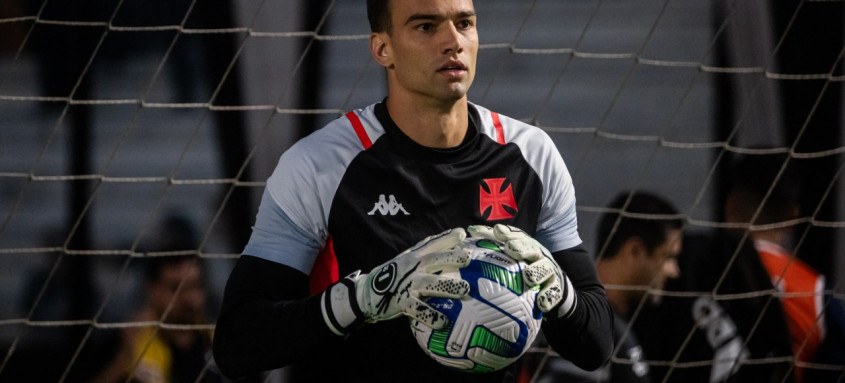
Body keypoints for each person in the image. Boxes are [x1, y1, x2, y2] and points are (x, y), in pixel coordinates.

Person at [211, 0, 613, 382]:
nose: (453, 41)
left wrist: (561, 295)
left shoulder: (530, 155)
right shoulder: (319, 165)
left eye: (465, 23)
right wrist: (363, 298)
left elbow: (595, 345)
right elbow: (237, 345)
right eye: (426, 25)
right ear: (383, 48)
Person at [533, 191, 683, 382]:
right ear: (634, 251)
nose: (674, 271)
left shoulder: (602, 323)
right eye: (668, 257)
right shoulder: (584, 327)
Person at [93, 217, 222, 383]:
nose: (189, 299)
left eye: (195, 287)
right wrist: (123, 362)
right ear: (152, 290)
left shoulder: (214, 339)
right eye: (176, 289)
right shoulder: (128, 341)